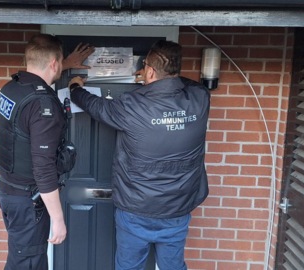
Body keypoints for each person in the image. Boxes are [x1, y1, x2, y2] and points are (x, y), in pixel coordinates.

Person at [68, 40, 210, 270]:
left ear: (150, 70)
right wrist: (167, 77)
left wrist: (75, 88)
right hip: (177, 209)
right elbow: (189, 85)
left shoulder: (132, 105)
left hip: (136, 211)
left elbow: (96, 106)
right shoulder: (200, 98)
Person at [0, 34, 94, 270]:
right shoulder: (42, 105)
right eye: (59, 62)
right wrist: (58, 220)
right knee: (28, 263)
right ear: (53, 63)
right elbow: (43, 167)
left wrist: (64, 63)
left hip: (9, 191)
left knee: (21, 259)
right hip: (28, 202)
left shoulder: (11, 88)